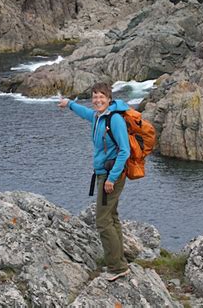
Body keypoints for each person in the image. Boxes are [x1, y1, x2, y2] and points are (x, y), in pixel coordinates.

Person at [58, 82, 131, 281]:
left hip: (111, 176)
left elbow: (125, 151)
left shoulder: (114, 119)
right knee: (112, 217)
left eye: (102, 97)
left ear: (109, 99)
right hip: (104, 174)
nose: (98, 100)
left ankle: (116, 267)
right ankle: (120, 261)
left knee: (102, 221)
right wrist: (69, 104)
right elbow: (85, 113)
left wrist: (111, 179)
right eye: (95, 97)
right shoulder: (99, 117)